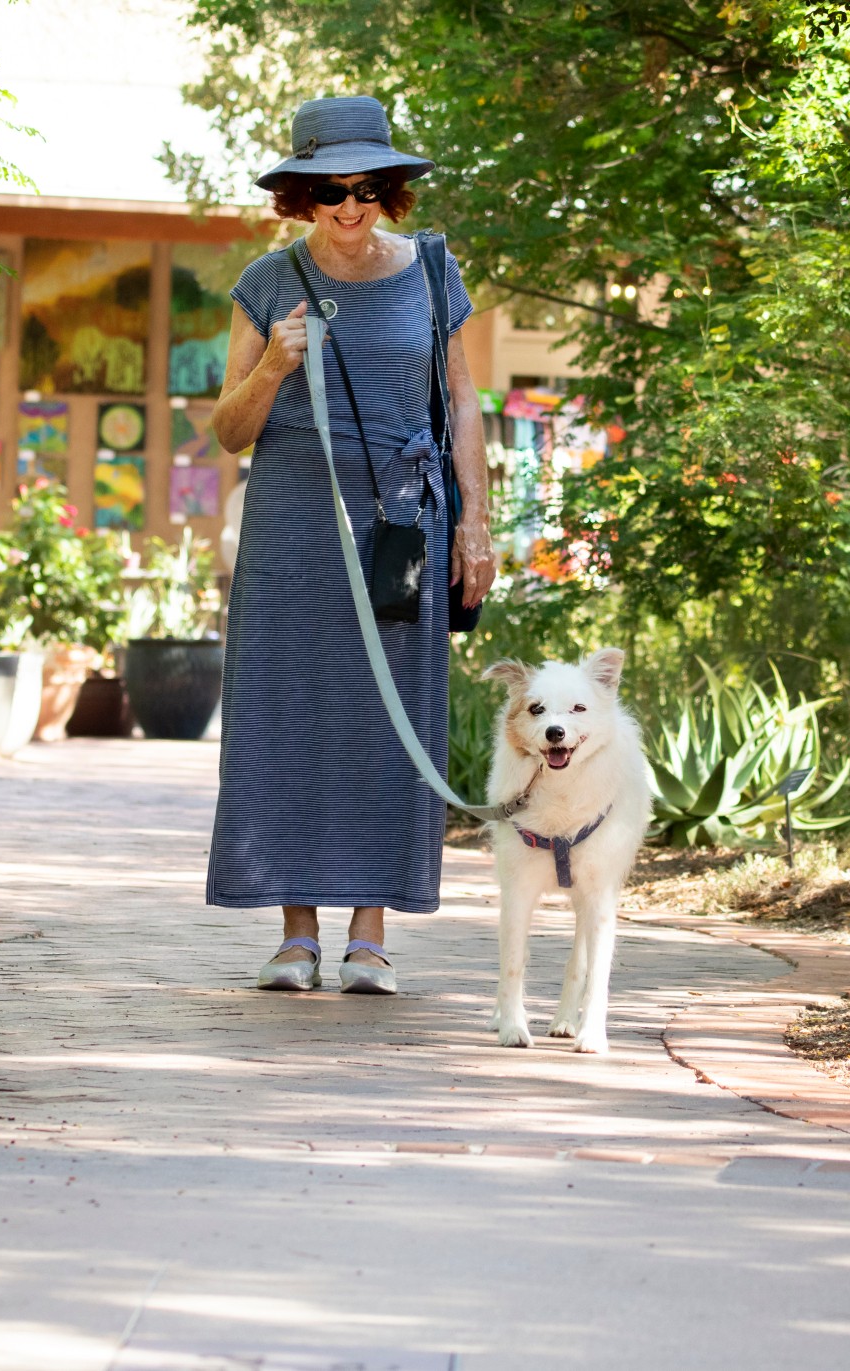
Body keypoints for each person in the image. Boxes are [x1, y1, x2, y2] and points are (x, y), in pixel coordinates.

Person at [205, 95, 495, 995]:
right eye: (330, 190)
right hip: (294, 524)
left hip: (403, 522)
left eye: (369, 187)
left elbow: (462, 406)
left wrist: (476, 521)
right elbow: (226, 429)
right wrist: (273, 366)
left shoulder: (432, 272)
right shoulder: (267, 281)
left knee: (384, 716)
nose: (350, 206)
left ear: (392, 189)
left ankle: (370, 936)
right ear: (301, 193)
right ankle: (296, 935)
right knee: (287, 715)